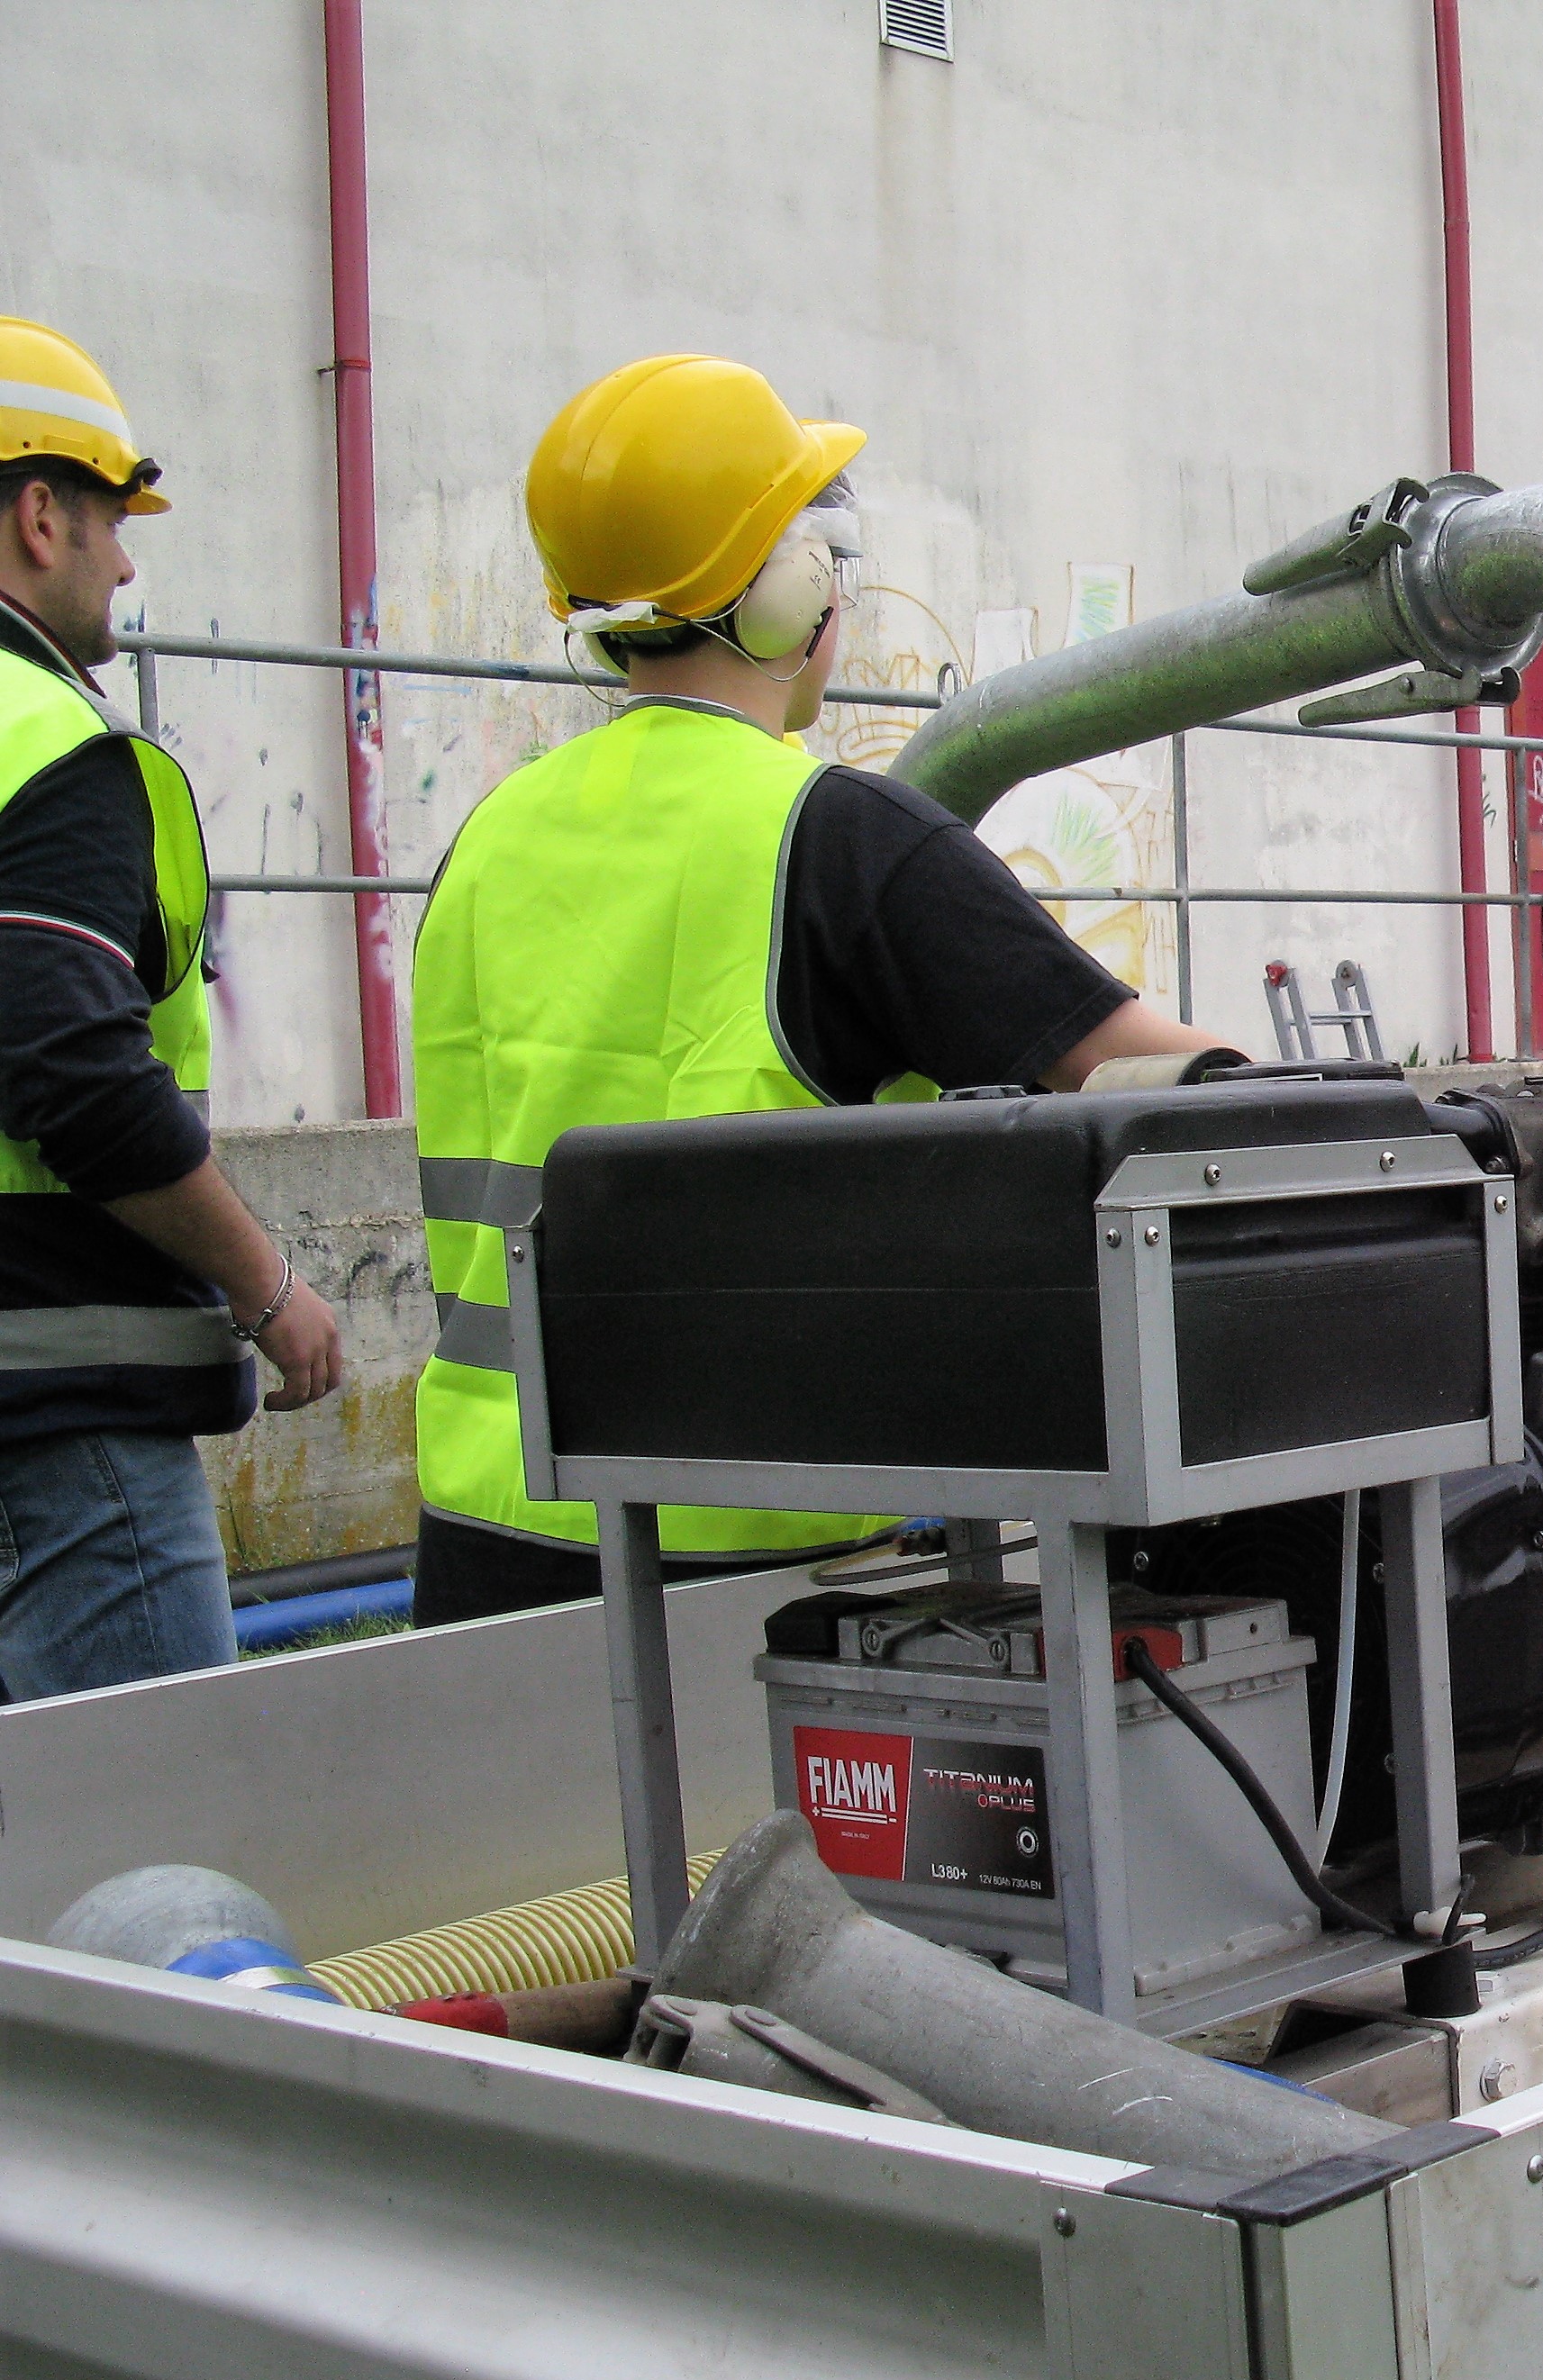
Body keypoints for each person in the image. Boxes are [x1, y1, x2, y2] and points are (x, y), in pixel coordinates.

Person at [411, 355, 1236, 1627]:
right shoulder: (840, 838)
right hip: (741, 1572)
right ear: (793, 590)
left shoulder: (485, 839)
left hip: (481, 1538)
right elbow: (1163, 1082)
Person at [0, 318, 343, 1698]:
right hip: (60, 1414)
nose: (127, 565)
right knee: (161, 1820)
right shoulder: (46, 742)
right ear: (40, 518)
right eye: (110, 525)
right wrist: (267, 1287)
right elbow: (74, 1074)